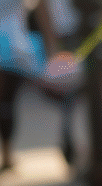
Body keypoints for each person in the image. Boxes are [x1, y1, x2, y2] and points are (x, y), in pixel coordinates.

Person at [0, 0, 81, 171]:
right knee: (8, 99)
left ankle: (7, 154)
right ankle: (7, 154)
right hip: (17, 44)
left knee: (6, 100)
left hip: (18, 44)